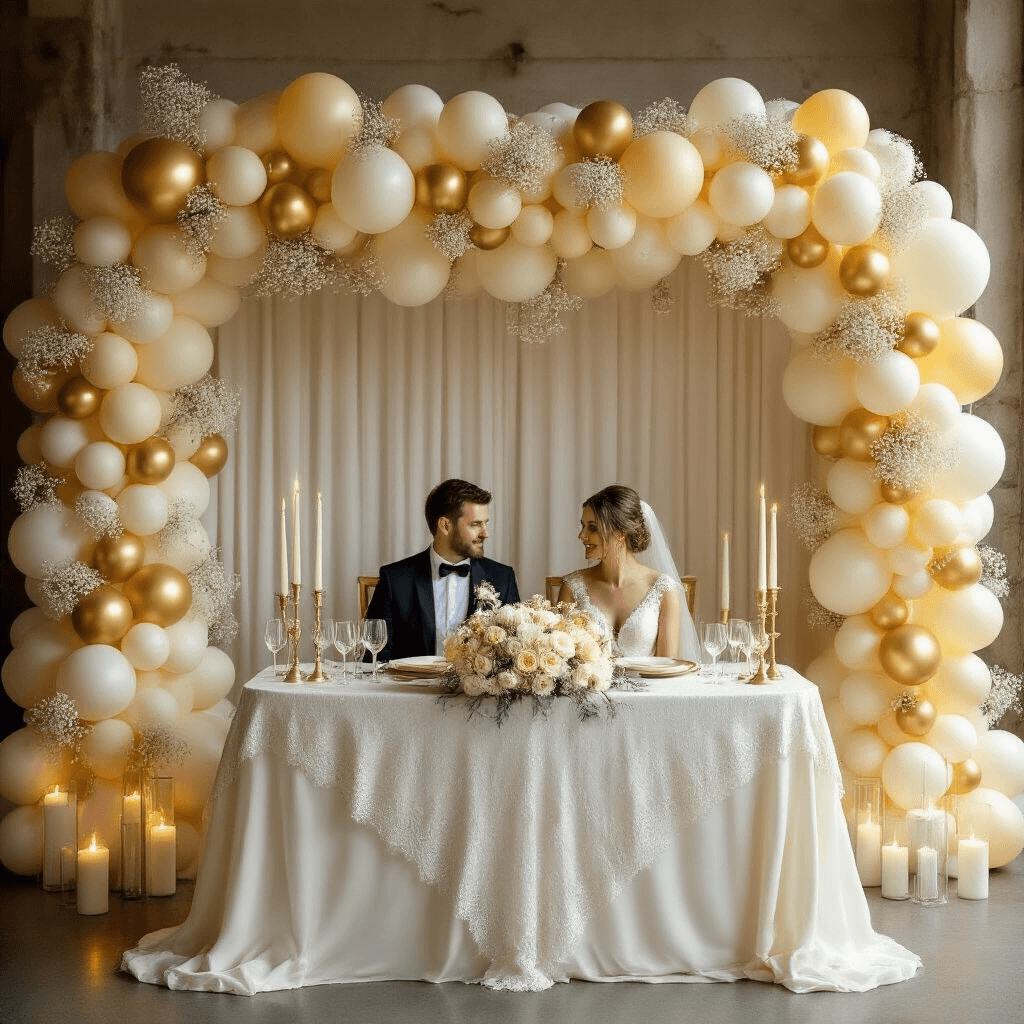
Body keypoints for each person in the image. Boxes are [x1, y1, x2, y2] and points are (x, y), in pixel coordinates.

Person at [365, 478, 520, 663]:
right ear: (445, 525)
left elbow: (513, 655)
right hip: (410, 690)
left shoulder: (502, 578)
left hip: (476, 692)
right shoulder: (395, 579)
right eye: (475, 524)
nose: (485, 533)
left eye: (485, 523)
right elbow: (374, 658)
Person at [557, 484, 700, 660]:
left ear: (620, 533)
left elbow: (667, 667)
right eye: (583, 526)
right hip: (588, 688)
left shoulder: (663, 589)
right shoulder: (571, 587)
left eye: (592, 527)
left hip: (651, 688)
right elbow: (561, 661)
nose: (582, 535)